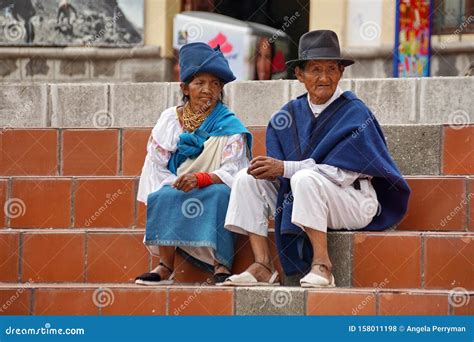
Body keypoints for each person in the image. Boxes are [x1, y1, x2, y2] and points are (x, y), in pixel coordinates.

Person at [222, 30, 411, 287]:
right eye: (315, 69)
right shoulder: (288, 114)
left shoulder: (355, 112)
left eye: (332, 68)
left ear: (341, 72)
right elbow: (282, 177)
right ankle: (263, 265)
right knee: (246, 178)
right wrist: (273, 169)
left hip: (352, 201)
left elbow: (342, 174)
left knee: (304, 178)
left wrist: (285, 168)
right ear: (299, 75)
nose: (324, 77)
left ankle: (322, 266)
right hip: (305, 194)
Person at [135, 42, 252, 286]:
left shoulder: (228, 124)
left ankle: (222, 264)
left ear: (221, 90)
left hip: (214, 184)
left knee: (219, 195)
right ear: (185, 88)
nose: (207, 90)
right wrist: (174, 182)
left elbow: (234, 169)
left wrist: (200, 179)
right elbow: (156, 164)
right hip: (177, 182)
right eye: (199, 83)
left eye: (215, 84)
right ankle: (165, 267)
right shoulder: (170, 119)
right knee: (162, 195)